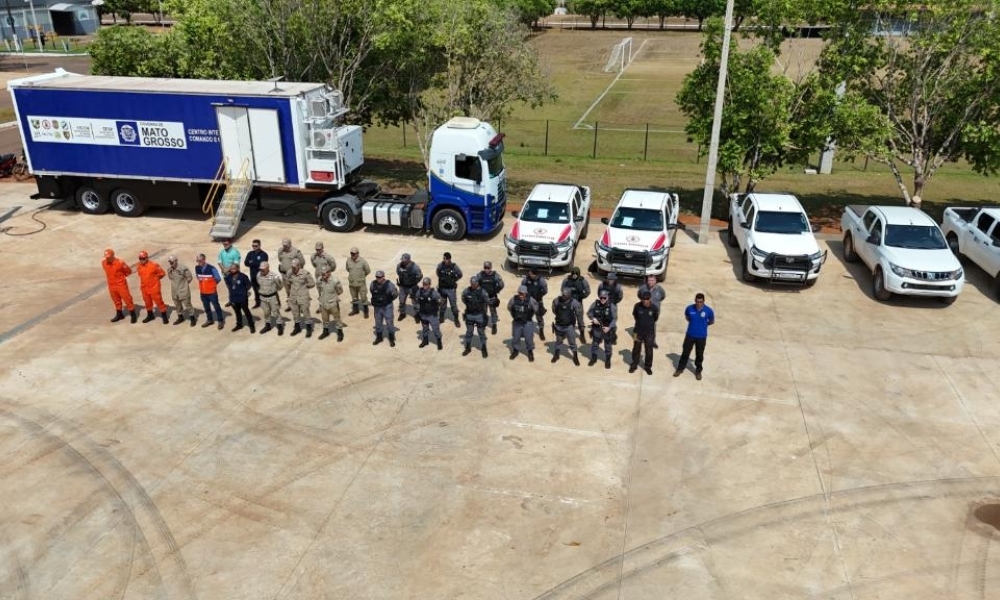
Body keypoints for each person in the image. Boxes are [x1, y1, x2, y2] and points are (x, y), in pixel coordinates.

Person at [674, 293, 715, 380]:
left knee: (699, 355)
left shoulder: (708, 310)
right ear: (695, 301)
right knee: (685, 353)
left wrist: (704, 325)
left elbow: (711, 321)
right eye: (697, 301)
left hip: (701, 337)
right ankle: (680, 369)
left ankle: (698, 371)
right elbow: (687, 317)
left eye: (701, 302)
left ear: (704, 301)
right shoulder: (689, 308)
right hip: (690, 335)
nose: (699, 303)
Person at [102, 248, 137, 324]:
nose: (107, 259)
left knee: (127, 299)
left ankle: (133, 315)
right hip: (111, 285)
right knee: (116, 300)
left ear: (113, 255)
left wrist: (121, 277)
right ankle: (119, 314)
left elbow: (128, 271)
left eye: (109, 257)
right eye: (106, 257)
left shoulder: (120, 263)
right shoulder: (104, 263)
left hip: (121, 285)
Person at [550, 288, 583, 365]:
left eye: (565, 295)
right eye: (562, 294)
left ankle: (575, 357)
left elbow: (578, 314)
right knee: (558, 341)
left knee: (572, 342)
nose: (563, 296)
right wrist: (561, 316)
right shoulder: (556, 301)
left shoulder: (574, 302)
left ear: (569, 295)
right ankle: (556, 355)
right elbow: (554, 310)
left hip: (569, 327)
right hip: (559, 325)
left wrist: (580, 324)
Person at [629, 291, 659, 374]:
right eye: (643, 299)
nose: (645, 300)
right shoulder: (637, 306)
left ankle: (648, 367)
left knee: (649, 350)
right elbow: (635, 315)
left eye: (647, 299)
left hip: (649, 333)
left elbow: (655, 318)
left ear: (650, 299)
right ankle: (634, 365)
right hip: (637, 332)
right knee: (636, 349)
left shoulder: (654, 308)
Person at [461, 275, 490, 358]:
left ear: (477, 283)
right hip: (469, 315)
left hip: (479, 315)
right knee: (469, 332)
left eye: (474, 284)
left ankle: (484, 347)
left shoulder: (483, 292)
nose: (473, 285)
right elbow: (463, 299)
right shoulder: (466, 291)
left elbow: (487, 301)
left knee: (481, 332)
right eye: (472, 283)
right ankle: (468, 347)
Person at [507, 285, 539, 361]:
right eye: (520, 293)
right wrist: (515, 315)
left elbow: (536, 309)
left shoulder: (531, 300)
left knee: (529, 338)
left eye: (523, 293)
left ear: (526, 293)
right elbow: (509, 307)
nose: (521, 295)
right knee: (516, 337)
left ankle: (530, 352)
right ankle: (515, 350)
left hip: (527, 322)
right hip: (517, 322)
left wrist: (530, 312)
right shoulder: (513, 299)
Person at [587, 290, 617, 369]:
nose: (602, 299)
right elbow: (589, 313)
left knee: (608, 345)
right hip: (597, 328)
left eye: (604, 298)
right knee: (595, 344)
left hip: (607, 329)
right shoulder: (595, 304)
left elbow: (614, 319)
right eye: (601, 297)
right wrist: (593, 318)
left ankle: (608, 360)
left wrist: (609, 328)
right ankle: (594, 358)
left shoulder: (612, 306)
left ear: (607, 297)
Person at [286, 259, 316, 337]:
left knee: (306, 312)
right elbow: (288, 281)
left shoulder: (305, 273)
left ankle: (309, 329)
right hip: (293, 296)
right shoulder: (289, 272)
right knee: (295, 313)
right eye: (292, 267)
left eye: (295, 267)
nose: (293, 268)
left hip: (303, 296)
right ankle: (297, 328)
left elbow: (312, 283)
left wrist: (304, 287)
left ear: (299, 266)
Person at [136, 250, 168, 324]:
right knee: (147, 302)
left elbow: (162, 273)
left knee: (159, 302)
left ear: (147, 258)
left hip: (154, 287)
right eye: (140, 258)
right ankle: (150, 316)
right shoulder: (139, 266)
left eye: (143, 258)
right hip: (144, 288)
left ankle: (164, 316)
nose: (142, 260)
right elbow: (140, 275)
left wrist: (155, 280)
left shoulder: (154, 265)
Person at [195, 254, 224, 329]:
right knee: (206, 307)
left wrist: (212, 285)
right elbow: (198, 277)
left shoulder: (212, 268)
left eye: (200, 261)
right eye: (197, 261)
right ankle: (210, 320)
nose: (198, 262)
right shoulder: (197, 268)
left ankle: (220, 320)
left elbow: (218, 278)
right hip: (203, 292)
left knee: (216, 306)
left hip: (212, 293)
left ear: (204, 260)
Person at [369, 270, 399, 346]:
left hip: (387, 307)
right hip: (377, 307)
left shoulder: (389, 285)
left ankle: (391, 338)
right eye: (377, 277)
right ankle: (379, 337)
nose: (378, 278)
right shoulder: (373, 284)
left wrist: (388, 300)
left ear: (383, 277)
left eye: (379, 277)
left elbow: (395, 294)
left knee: (389, 322)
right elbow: (372, 291)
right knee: (378, 322)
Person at [316, 266, 345, 341]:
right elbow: (319, 289)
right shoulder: (319, 280)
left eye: (324, 274)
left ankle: (340, 333)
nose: (323, 275)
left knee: (337, 319)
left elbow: (340, 291)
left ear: (329, 273)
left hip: (333, 304)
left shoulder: (335, 281)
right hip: (323, 303)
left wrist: (333, 298)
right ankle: (325, 332)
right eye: (322, 274)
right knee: (324, 319)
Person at [476, 261, 505, 335]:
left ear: (491, 268)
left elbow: (501, 284)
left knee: (493, 312)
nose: (486, 269)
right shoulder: (480, 275)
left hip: (492, 297)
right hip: (483, 298)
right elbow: (475, 283)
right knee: (483, 312)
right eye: (485, 268)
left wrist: (496, 290)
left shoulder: (495, 275)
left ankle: (494, 325)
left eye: (488, 268)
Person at [166, 255, 196, 327]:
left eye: (172, 262)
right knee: (177, 305)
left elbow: (189, 278)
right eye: (170, 262)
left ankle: (193, 318)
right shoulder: (169, 270)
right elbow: (171, 278)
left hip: (183, 290)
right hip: (174, 291)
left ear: (176, 261)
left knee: (188, 305)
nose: (171, 263)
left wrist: (184, 285)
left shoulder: (183, 268)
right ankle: (180, 317)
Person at [415, 277, 444, 350]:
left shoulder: (434, 293)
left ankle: (439, 341)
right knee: (425, 328)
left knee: (435, 329)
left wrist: (436, 306)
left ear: (429, 284)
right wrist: (417, 311)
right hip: (423, 315)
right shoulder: (419, 292)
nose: (425, 285)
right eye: (424, 284)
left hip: (432, 315)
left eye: (426, 284)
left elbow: (441, 301)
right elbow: (416, 301)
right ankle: (425, 341)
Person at [435, 251, 463, 327]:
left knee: (453, 306)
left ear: (449, 259)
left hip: (451, 290)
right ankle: (441, 318)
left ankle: (456, 320)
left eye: (446, 258)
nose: (444, 260)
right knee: (442, 305)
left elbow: (460, 274)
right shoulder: (440, 265)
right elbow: (437, 273)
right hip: (442, 289)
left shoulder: (454, 266)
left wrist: (453, 280)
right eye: (443, 258)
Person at [256, 262, 284, 335]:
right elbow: (258, 284)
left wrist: (273, 290)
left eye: (263, 269)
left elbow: (280, 287)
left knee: (275, 312)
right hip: (263, 297)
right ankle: (267, 325)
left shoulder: (274, 276)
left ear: (268, 268)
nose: (262, 270)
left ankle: (280, 326)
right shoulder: (258, 275)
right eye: (261, 269)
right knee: (266, 312)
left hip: (272, 297)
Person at [638, 274, 666, 348]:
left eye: (652, 280)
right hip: (644, 310)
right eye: (649, 280)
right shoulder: (643, 288)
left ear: (655, 281)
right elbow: (639, 295)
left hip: (654, 312)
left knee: (652, 326)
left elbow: (663, 296)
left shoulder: (660, 289)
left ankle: (652, 341)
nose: (650, 282)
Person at [277, 238, 305, 311]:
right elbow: (280, 259)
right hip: (284, 275)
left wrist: (297, 272)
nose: (284, 247)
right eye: (283, 245)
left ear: (290, 244)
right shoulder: (280, 251)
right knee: (288, 291)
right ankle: (290, 305)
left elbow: (302, 262)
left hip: (293, 275)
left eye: (286, 245)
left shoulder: (296, 252)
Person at [224, 263, 254, 333]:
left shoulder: (243, 276)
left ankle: (251, 326)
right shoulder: (229, 276)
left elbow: (249, 285)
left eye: (233, 269)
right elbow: (226, 281)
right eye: (231, 269)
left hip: (242, 298)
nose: (232, 270)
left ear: (237, 268)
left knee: (246, 312)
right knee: (237, 312)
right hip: (233, 298)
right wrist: (227, 271)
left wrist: (243, 291)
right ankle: (239, 325)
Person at [521, 269, 548, 340]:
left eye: (532, 274)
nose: (530, 275)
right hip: (528, 301)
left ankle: (541, 330)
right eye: (529, 274)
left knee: (539, 317)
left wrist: (539, 295)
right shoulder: (526, 279)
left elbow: (545, 290)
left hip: (537, 301)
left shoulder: (541, 280)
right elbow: (522, 288)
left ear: (535, 274)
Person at [345, 246, 371, 318]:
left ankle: (366, 311)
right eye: (351, 253)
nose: (352, 255)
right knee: (354, 297)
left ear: (357, 253)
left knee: (363, 297)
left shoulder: (362, 261)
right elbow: (347, 269)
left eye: (354, 253)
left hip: (361, 283)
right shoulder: (348, 260)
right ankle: (355, 310)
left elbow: (368, 270)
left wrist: (362, 276)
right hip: (352, 283)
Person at [396, 253, 422, 322]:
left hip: (412, 287)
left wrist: (414, 282)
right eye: (402, 260)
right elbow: (398, 273)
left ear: (409, 260)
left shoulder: (415, 267)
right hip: (402, 287)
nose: (403, 262)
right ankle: (402, 313)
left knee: (415, 301)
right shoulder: (399, 266)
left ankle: (417, 314)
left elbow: (419, 276)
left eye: (404, 260)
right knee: (401, 301)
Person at [243, 239, 268, 308]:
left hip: (261, 275)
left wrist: (252, 262)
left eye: (256, 246)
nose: (254, 247)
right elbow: (246, 263)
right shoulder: (250, 253)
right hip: (253, 275)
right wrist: (255, 263)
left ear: (259, 245)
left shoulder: (264, 254)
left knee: (262, 289)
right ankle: (258, 302)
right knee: (255, 289)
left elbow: (262, 264)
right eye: (253, 246)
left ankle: (265, 302)